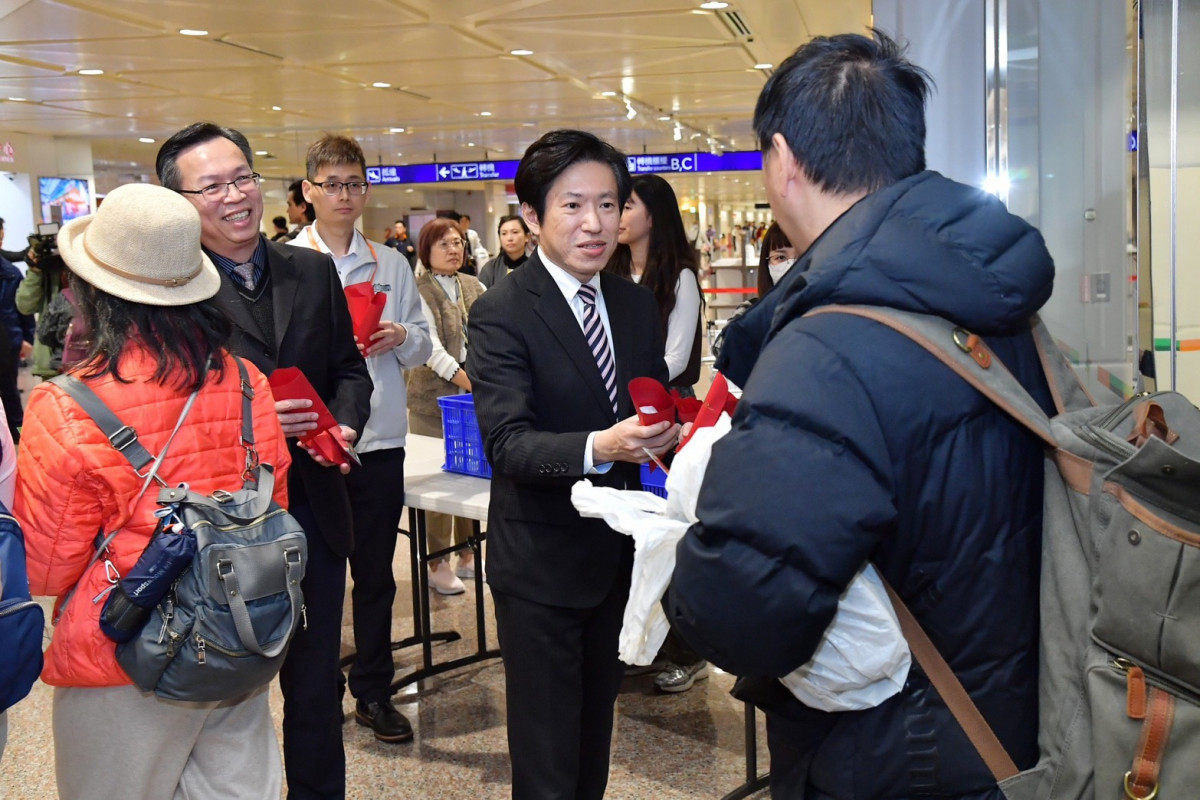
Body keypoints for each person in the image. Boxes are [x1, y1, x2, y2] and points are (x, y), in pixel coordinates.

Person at [665, 32, 1056, 800]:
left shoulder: (826, 349)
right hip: (1014, 721)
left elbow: (742, 615)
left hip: (890, 752)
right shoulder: (1003, 304)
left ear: (781, 160)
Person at [14, 182, 292, 799]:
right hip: (236, 638)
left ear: (97, 290)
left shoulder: (67, 405)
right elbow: (271, 508)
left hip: (123, 652)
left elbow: (48, 567)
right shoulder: (247, 382)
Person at [156, 122, 373, 800]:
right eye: (211, 185)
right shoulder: (169, 290)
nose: (234, 195)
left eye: (243, 177)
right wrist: (250, 424)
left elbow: (349, 369)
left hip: (312, 508)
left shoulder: (309, 268)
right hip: (219, 525)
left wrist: (344, 421)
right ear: (180, 202)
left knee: (314, 688)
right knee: (223, 699)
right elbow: (162, 416)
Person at [468, 129, 677, 800]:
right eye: (573, 206)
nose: (595, 224)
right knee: (548, 760)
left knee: (593, 747)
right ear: (531, 216)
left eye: (609, 205)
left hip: (617, 558)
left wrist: (670, 430)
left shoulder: (634, 304)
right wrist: (601, 446)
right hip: (541, 568)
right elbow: (508, 444)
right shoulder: (501, 311)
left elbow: (645, 408)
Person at [290, 133, 432, 743]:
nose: (344, 195)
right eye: (331, 184)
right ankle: (315, 694)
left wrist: (400, 334)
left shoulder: (391, 263)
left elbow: (428, 343)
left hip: (378, 441)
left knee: (375, 574)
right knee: (313, 578)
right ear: (308, 192)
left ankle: (374, 690)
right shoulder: (289, 263)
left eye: (354, 183)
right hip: (310, 445)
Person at [406, 217, 485, 595]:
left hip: (471, 399)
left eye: (458, 243)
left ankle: (468, 555)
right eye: (444, 244)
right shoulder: (418, 289)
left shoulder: (474, 284)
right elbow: (431, 351)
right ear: (427, 251)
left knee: (470, 478)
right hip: (432, 402)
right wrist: (475, 384)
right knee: (437, 485)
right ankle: (436, 561)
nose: (454, 250)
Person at [607, 173, 704, 393]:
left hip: (664, 395)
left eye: (628, 207)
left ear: (653, 216)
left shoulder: (679, 277)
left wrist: (636, 388)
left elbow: (677, 359)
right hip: (615, 396)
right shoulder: (609, 273)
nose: (618, 215)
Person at [0, 248, 33, 443]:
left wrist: (27, 337)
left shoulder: (11, 273)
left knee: (9, 393)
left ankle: (21, 438)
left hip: (8, 342)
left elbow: (24, 310)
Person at [477, 214, 530, 288]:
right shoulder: (490, 269)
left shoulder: (536, 268)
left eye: (515, 232)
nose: (509, 238)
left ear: (527, 236)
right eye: (504, 233)